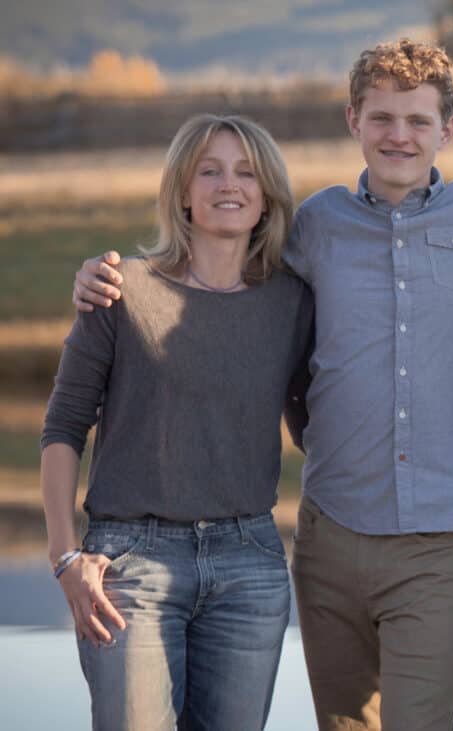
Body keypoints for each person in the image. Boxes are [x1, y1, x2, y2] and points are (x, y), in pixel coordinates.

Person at [72, 40, 453, 731]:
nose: (399, 136)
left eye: (417, 120)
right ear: (353, 120)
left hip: (440, 540)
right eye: (381, 118)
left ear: (449, 128)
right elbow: (222, 272)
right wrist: (106, 277)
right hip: (330, 536)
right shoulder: (315, 225)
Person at [42, 113, 313, 730]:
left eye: (246, 172)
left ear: (267, 194)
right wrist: (64, 557)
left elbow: (313, 420)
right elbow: (63, 427)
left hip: (250, 565)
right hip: (128, 564)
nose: (229, 184)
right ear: (182, 193)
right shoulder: (119, 290)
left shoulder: (292, 301)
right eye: (209, 170)